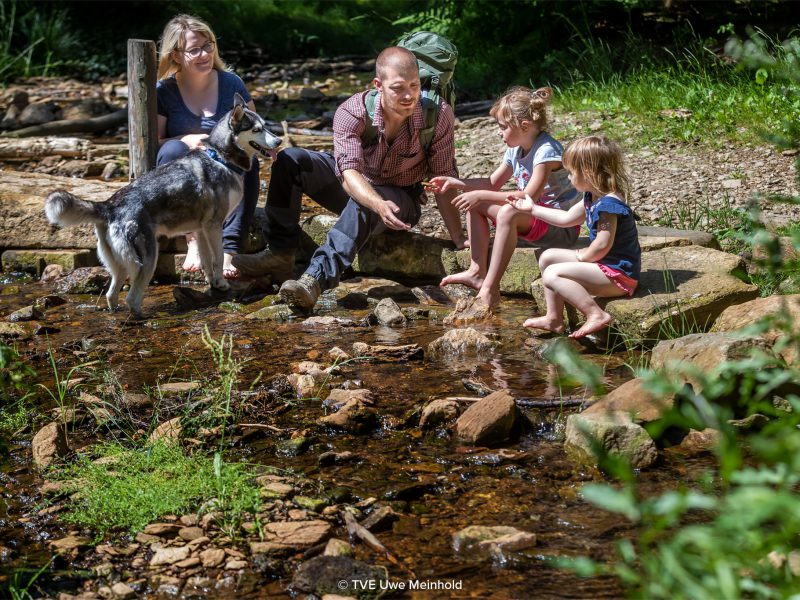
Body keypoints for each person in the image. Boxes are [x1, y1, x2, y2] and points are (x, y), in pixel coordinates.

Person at [233, 46, 464, 310]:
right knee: (289, 160)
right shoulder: (352, 111)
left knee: (364, 200)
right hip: (357, 184)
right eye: (398, 88)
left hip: (402, 199)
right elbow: (349, 172)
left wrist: (458, 236)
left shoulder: (438, 114)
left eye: (414, 85)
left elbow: (443, 180)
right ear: (378, 85)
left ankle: (315, 279)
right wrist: (376, 202)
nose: (409, 95)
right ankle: (280, 253)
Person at [427, 86, 579, 310]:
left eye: (503, 127)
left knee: (505, 210)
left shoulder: (546, 151)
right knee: (477, 203)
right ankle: (477, 271)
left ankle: (489, 289)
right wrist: (457, 183)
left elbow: (528, 197)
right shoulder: (515, 150)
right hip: (534, 220)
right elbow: (491, 183)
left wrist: (480, 195)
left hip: (559, 228)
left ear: (524, 126)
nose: (499, 132)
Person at [156, 14, 262, 278]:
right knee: (172, 151)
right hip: (184, 171)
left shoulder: (232, 83)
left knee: (248, 158)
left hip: (224, 171)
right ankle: (192, 240)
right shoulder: (162, 91)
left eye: (208, 46)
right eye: (194, 50)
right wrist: (184, 139)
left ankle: (228, 249)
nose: (204, 54)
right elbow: (155, 143)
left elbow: (254, 133)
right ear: (176, 55)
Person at [512, 135, 641, 338]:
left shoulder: (608, 205)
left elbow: (602, 245)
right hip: (604, 265)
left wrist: (582, 256)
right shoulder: (592, 195)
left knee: (553, 273)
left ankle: (595, 314)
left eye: (571, 173)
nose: (569, 178)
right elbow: (567, 219)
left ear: (588, 172)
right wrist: (532, 209)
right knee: (547, 256)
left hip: (617, 276)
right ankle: (554, 319)